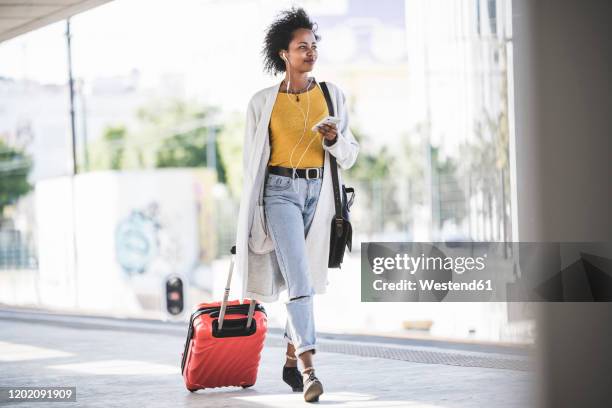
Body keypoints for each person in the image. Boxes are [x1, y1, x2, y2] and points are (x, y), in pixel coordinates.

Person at [234, 6, 359, 403]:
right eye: (302, 46)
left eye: (313, 45)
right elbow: (249, 165)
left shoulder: (331, 95)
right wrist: (251, 218)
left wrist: (333, 140)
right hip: (279, 193)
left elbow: (350, 154)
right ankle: (309, 371)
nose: (311, 52)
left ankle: (289, 358)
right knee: (300, 281)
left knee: (300, 279)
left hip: (318, 195)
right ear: (283, 54)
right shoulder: (261, 102)